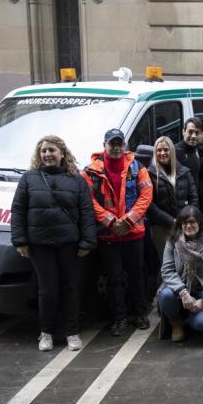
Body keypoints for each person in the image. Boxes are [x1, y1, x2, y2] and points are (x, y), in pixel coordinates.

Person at [11, 135, 97, 351]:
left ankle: (72, 332)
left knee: (71, 288)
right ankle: (46, 332)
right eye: (43, 151)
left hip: (69, 245)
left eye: (52, 150)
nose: (47, 154)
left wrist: (87, 242)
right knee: (47, 290)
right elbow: (18, 210)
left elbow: (87, 212)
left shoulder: (77, 180)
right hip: (40, 245)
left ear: (62, 153)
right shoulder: (29, 178)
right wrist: (20, 241)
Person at [83, 129, 153, 336]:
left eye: (119, 144)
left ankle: (140, 314)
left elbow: (146, 195)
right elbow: (89, 201)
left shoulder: (137, 167)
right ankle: (119, 318)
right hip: (108, 234)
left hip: (133, 233)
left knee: (137, 276)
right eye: (112, 144)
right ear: (104, 145)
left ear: (125, 146)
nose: (116, 148)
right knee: (113, 279)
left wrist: (128, 221)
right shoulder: (90, 172)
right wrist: (111, 221)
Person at [158, 206, 203, 341]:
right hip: (178, 290)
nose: (189, 226)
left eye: (192, 222)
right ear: (180, 225)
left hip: (201, 292)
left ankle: (188, 315)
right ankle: (176, 322)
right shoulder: (172, 242)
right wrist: (183, 292)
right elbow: (167, 270)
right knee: (165, 295)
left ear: (200, 223)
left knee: (200, 324)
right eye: (185, 223)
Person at [147, 136, 199, 262]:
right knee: (167, 263)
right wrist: (172, 221)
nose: (163, 153)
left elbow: (194, 198)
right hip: (161, 227)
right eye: (159, 150)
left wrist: (188, 219)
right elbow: (150, 205)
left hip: (185, 225)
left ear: (172, 151)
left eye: (166, 150)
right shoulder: (149, 174)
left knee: (186, 262)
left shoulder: (185, 172)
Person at [175, 117, 202, 187]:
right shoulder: (175, 151)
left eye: (197, 133)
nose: (193, 136)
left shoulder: (199, 150)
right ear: (183, 132)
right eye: (190, 132)